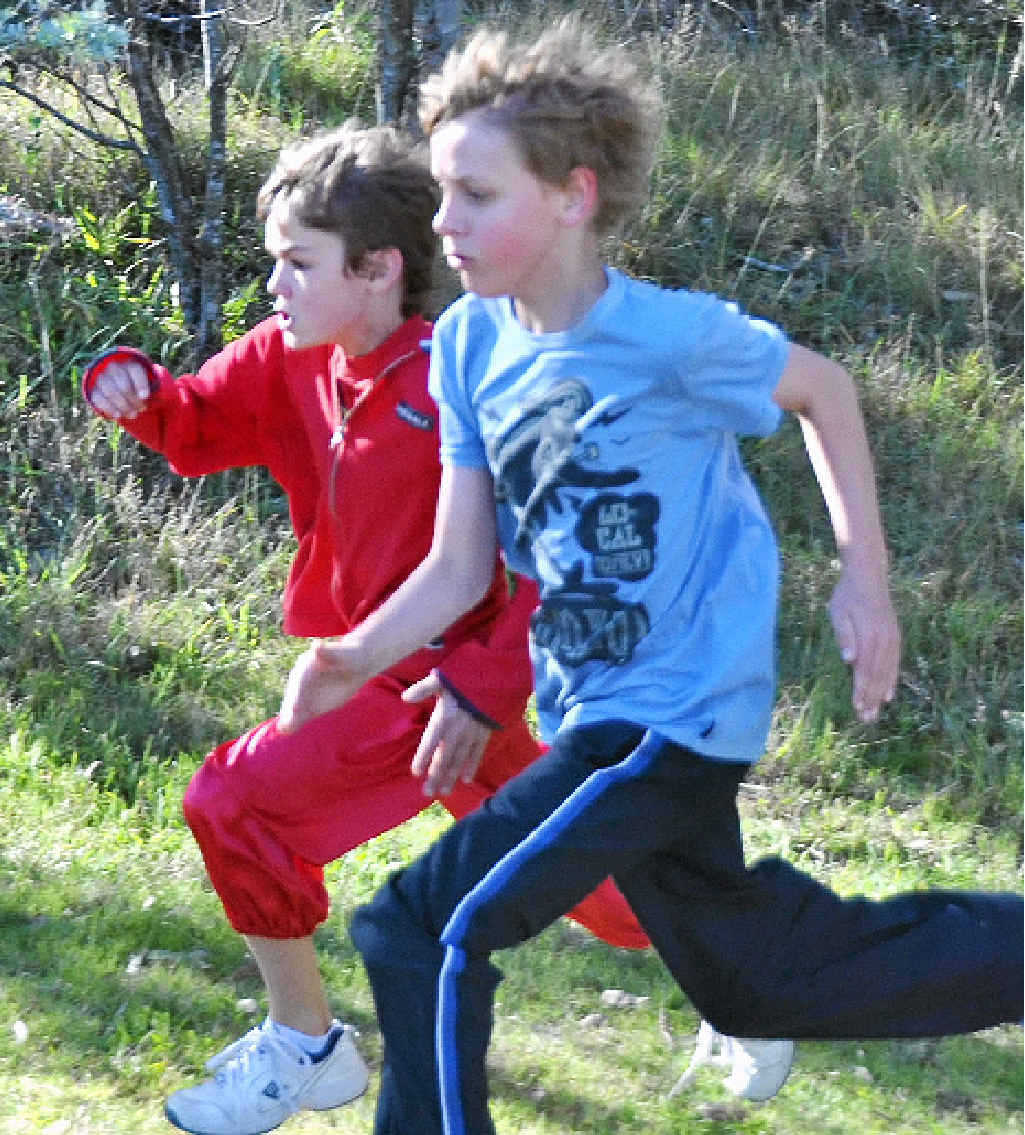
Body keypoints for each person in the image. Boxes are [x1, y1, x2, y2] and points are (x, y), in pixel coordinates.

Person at [275, 19, 1024, 1135]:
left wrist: (862, 582)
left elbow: (824, 391)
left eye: (474, 194)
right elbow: (457, 564)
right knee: (756, 977)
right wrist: (342, 660)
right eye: (440, 192)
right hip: (596, 711)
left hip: (667, 721)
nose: (444, 222)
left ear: (572, 195)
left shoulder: (669, 337)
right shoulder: (472, 346)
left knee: (421, 925)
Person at [80, 122, 655, 1135]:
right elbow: (198, 425)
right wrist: (137, 390)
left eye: (297, 264)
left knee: (233, 801)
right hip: (386, 677)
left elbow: (554, 560)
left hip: (447, 685)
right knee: (595, 881)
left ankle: (306, 1048)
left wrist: (481, 683)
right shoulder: (288, 358)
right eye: (274, 263)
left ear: (379, 268)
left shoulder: (467, 377)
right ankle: (760, 960)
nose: (275, 287)